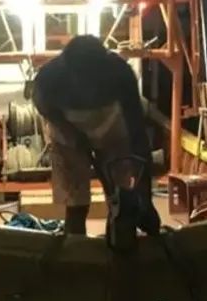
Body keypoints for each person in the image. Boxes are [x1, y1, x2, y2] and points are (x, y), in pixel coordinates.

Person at [31, 35, 161, 237]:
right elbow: (44, 107)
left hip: (111, 132)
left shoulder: (120, 74)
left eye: (92, 77)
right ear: (68, 70)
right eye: (81, 77)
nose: (87, 84)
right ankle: (75, 252)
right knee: (76, 205)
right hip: (67, 134)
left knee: (120, 199)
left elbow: (137, 134)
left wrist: (146, 198)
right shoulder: (49, 78)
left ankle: (117, 241)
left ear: (103, 67)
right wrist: (72, 134)